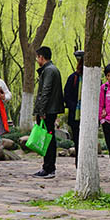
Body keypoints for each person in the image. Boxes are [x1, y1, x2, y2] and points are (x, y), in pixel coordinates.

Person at [33, 46, 63, 178]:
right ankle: (48, 167)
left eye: (37, 57)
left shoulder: (49, 71)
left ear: (41, 57)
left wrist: (41, 110)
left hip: (48, 110)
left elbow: (46, 91)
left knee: (48, 140)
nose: (36, 60)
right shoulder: (51, 69)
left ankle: (49, 168)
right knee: (49, 139)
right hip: (50, 109)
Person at [63, 52, 84, 165]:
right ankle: (78, 164)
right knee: (77, 140)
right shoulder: (73, 78)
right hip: (75, 116)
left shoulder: (94, 79)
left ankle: (84, 163)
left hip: (88, 117)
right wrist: (74, 106)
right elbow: (67, 95)